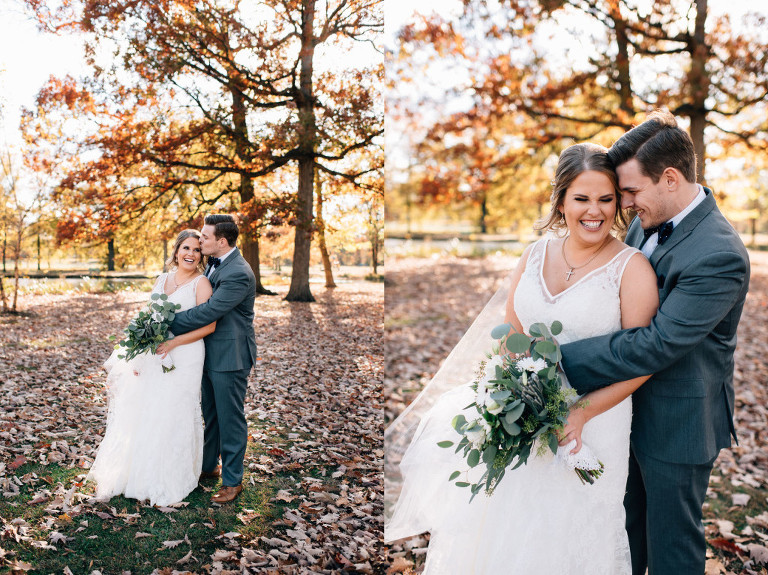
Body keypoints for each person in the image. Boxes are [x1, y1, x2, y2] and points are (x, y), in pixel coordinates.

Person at [384, 143, 659, 573]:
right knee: (509, 531)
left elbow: (642, 360)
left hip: (593, 426)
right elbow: (511, 333)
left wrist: (580, 414)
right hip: (521, 421)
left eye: (606, 199)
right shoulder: (534, 255)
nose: (595, 211)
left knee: (568, 535)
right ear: (562, 199)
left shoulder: (631, 268)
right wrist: (510, 395)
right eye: (582, 199)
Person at [559, 111, 750, 575]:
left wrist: (557, 362)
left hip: (678, 423)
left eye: (630, 191)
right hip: (622, 409)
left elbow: (657, 344)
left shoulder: (719, 253)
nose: (622, 204)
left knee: (672, 549)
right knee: (626, 537)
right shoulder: (647, 218)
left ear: (669, 179)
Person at [89, 229, 215, 506]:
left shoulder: (201, 284)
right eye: (186, 248)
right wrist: (139, 357)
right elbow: (148, 319)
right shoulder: (162, 279)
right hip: (154, 352)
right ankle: (140, 473)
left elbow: (209, 325)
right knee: (150, 408)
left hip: (186, 354)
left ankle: (175, 475)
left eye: (196, 250)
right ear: (176, 251)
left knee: (175, 409)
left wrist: (174, 343)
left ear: (201, 255)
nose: (191, 254)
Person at [170, 214, 257, 504]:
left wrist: (166, 322)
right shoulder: (215, 265)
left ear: (221, 242)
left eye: (205, 238)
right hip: (206, 352)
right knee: (212, 415)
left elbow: (209, 312)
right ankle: (209, 466)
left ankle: (232, 482)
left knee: (230, 419)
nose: (200, 241)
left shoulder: (238, 273)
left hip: (230, 356)